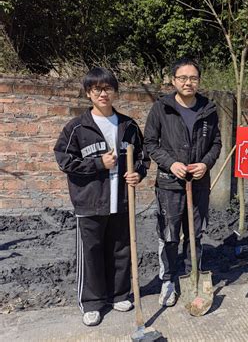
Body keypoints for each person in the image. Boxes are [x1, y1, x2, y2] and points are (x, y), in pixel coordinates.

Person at [54, 67, 150, 326]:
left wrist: (138, 174)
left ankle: (119, 294)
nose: (103, 93)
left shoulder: (128, 125)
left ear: (115, 91)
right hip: (90, 201)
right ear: (88, 93)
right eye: (97, 89)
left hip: (121, 200)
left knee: (121, 249)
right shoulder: (77, 128)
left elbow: (142, 157)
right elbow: (64, 160)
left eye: (107, 88)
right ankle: (92, 303)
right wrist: (98, 164)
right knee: (92, 253)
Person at [144, 58, 221, 307]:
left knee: (195, 234)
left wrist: (205, 164)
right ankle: (168, 279)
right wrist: (171, 164)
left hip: (198, 184)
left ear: (199, 80)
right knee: (169, 235)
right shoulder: (161, 108)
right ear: (173, 80)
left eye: (193, 78)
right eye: (183, 78)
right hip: (170, 184)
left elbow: (216, 143)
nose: (188, 83)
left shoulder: (208, 108)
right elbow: (150, 143)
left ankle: (192, 277)